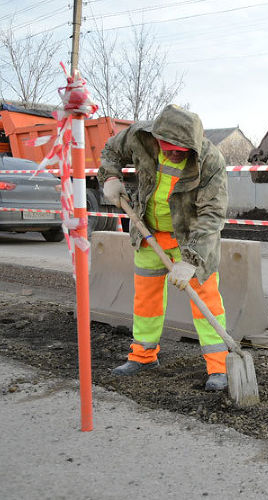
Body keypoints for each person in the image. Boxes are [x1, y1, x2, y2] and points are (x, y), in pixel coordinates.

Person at [98, 104, 230, 392]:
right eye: (168, 148)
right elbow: (110, 150)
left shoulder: (210, 160)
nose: (173, 154)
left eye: (180, 152)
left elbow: (212, 215)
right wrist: (110, 176)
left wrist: (191, 259)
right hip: (148, 234)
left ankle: (219, 367)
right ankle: (143, 355)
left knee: (205, 301)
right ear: (157, 138)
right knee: (146, 299)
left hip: (189, 240)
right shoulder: (138, 136)